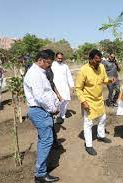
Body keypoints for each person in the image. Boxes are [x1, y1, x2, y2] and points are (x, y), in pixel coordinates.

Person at [23, 49, 60, 182]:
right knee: (46, 141)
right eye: (48, 64)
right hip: (39, 110)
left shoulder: (40, 72)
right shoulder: (34, 74)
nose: (49, 66)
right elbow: (40, 97)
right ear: (40, 60)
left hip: (42, 110)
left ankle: (42, 167)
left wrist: (55, 101)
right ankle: (40, 174)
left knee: (44, 140)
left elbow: (47, 91)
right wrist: (52, 108)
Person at [75, 49, 115, 156]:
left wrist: (109, 80)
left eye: (100, 60)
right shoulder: (83, 70)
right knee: (88, 123)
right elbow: (78, 88)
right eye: (96, 61)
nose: (98, 63)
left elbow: (104, 79)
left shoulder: (101, 67)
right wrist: (83, 102)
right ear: (90, 59)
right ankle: (88, 145)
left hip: (99, 99)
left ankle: (101, 136)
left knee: (102, 118)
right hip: (88, 100)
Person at [51, 52, 74, 120]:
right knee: (57, 101)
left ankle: (63, 114)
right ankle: (57, 115)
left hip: (64, 86)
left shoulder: (65, 66)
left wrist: (72, 86)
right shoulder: (52, 65)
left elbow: (69, 76)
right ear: (55, 58)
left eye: (61, 58)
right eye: (59, 58)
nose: (60, 60)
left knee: (65, 100)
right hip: (56, 87)